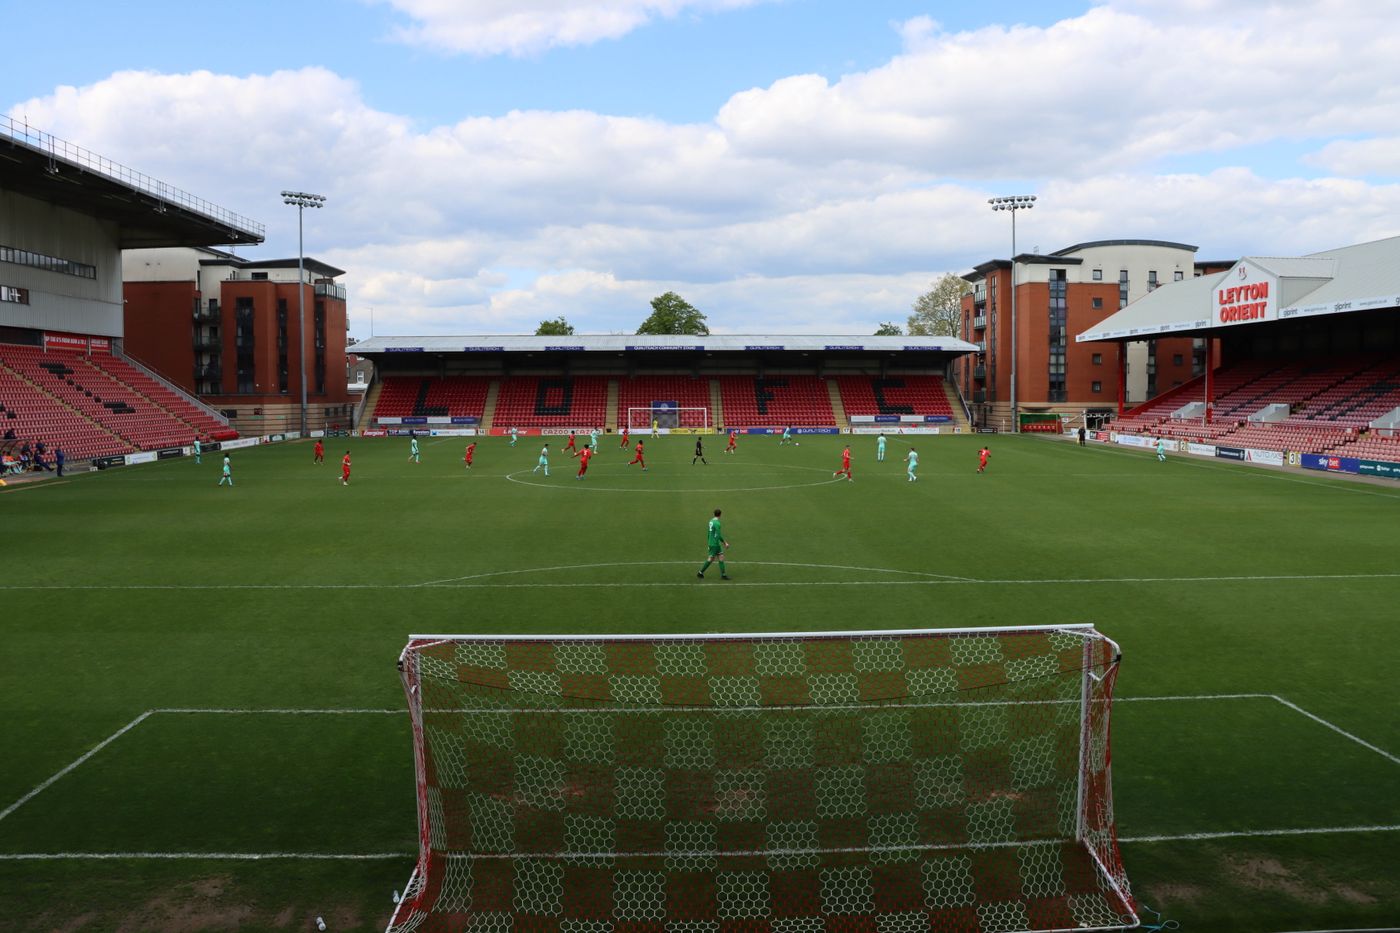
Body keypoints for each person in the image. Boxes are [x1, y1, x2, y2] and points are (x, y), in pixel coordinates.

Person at [697, 508, 730, 580]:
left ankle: (723, 575)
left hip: (712, 543)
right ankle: (700, 572)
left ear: (714, 514)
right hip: (715, 544)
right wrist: (725, 543)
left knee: (721, 557)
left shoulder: (711, 521)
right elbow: (718, 535)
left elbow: (709, 533)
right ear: (720, 515)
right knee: (711, 559)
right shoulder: (717, 523)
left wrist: (709, 543)